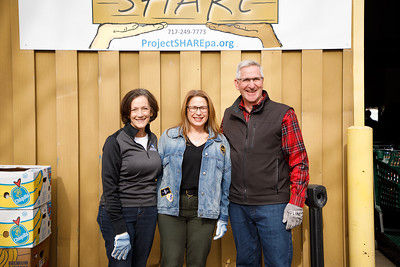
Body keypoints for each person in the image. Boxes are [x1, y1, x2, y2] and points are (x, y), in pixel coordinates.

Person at [221, 60, 310, 266]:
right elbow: (221, 155)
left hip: (273, 205)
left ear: (262, 81)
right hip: (238, 205)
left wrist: (296, 202)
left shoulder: (283, 114)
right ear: (237, 83)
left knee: (277, 263)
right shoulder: (229, 115)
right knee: (245, 262)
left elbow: (299, 161)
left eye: (256, 79)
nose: (251, 85)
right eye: (246, 80)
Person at [157, 90, 231, 267]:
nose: (198, 112)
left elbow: (226, 183)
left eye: (203, 108)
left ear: (209, 111)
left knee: (197, 262)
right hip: (171, 207)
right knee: (171, 261)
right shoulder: (169, 137)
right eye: (194, 108)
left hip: (204, 209)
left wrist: (223, 216)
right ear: (186, 110)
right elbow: (156, 174)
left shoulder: (220, 142)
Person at [97, 89, 162, 266]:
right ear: (127, 113)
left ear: (152, 111)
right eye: (134, 110)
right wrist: (119, 229)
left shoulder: (154, 140)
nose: (140, 114)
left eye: (144, 109)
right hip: (120, 213)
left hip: (148, 213)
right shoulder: (115, 141)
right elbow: (109, 187)